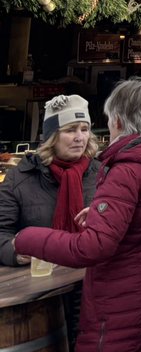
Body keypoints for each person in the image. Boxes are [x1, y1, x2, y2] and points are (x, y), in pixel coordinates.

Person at [15, 78, 141, 352]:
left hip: (123, 302)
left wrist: (25, 238)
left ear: (119, 121)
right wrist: (107, 215)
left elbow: (94, 247)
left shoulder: (126, 169)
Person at [0, 95, 99, 266]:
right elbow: (2, 232)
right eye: (70, 130)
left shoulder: (103, 174)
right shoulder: (19, 178)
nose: (80, 137)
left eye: (84, 129)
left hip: (91, 277)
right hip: (40, 283)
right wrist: (14, 252)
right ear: (51, 137)